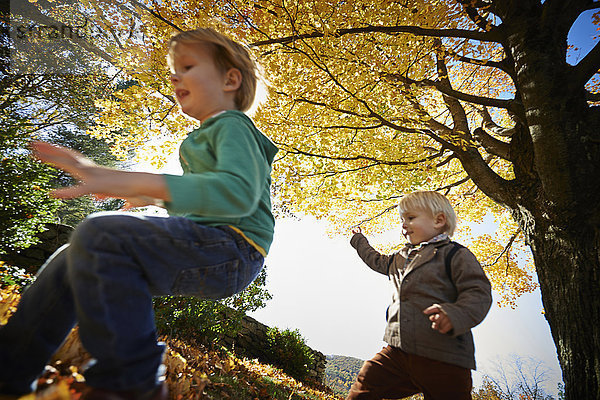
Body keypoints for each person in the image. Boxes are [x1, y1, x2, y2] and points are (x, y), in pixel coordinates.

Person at [0, 28, 278, 400]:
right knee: (75, 258)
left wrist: (132, 181)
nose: (175, 76)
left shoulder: (232, 126)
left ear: (230, 79)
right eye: (173, 70)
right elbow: (208, 198)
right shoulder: (206, 138)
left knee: (100, 234)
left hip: (231, 250)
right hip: (215, 247)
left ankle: (131, 381)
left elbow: (236, 196)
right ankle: (10, 369)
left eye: (188, 66)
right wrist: (153, 198)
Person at [347, 191, 492, 400]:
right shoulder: (399, 258)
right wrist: (358, 239)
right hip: (399, 349)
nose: (403, 225)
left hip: (444, 355)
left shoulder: (454, 254)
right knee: (368, 377)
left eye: (411, 218)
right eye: (402, 220)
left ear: (439, 220)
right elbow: (374, 259)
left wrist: (454, 314)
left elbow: (478, 292)